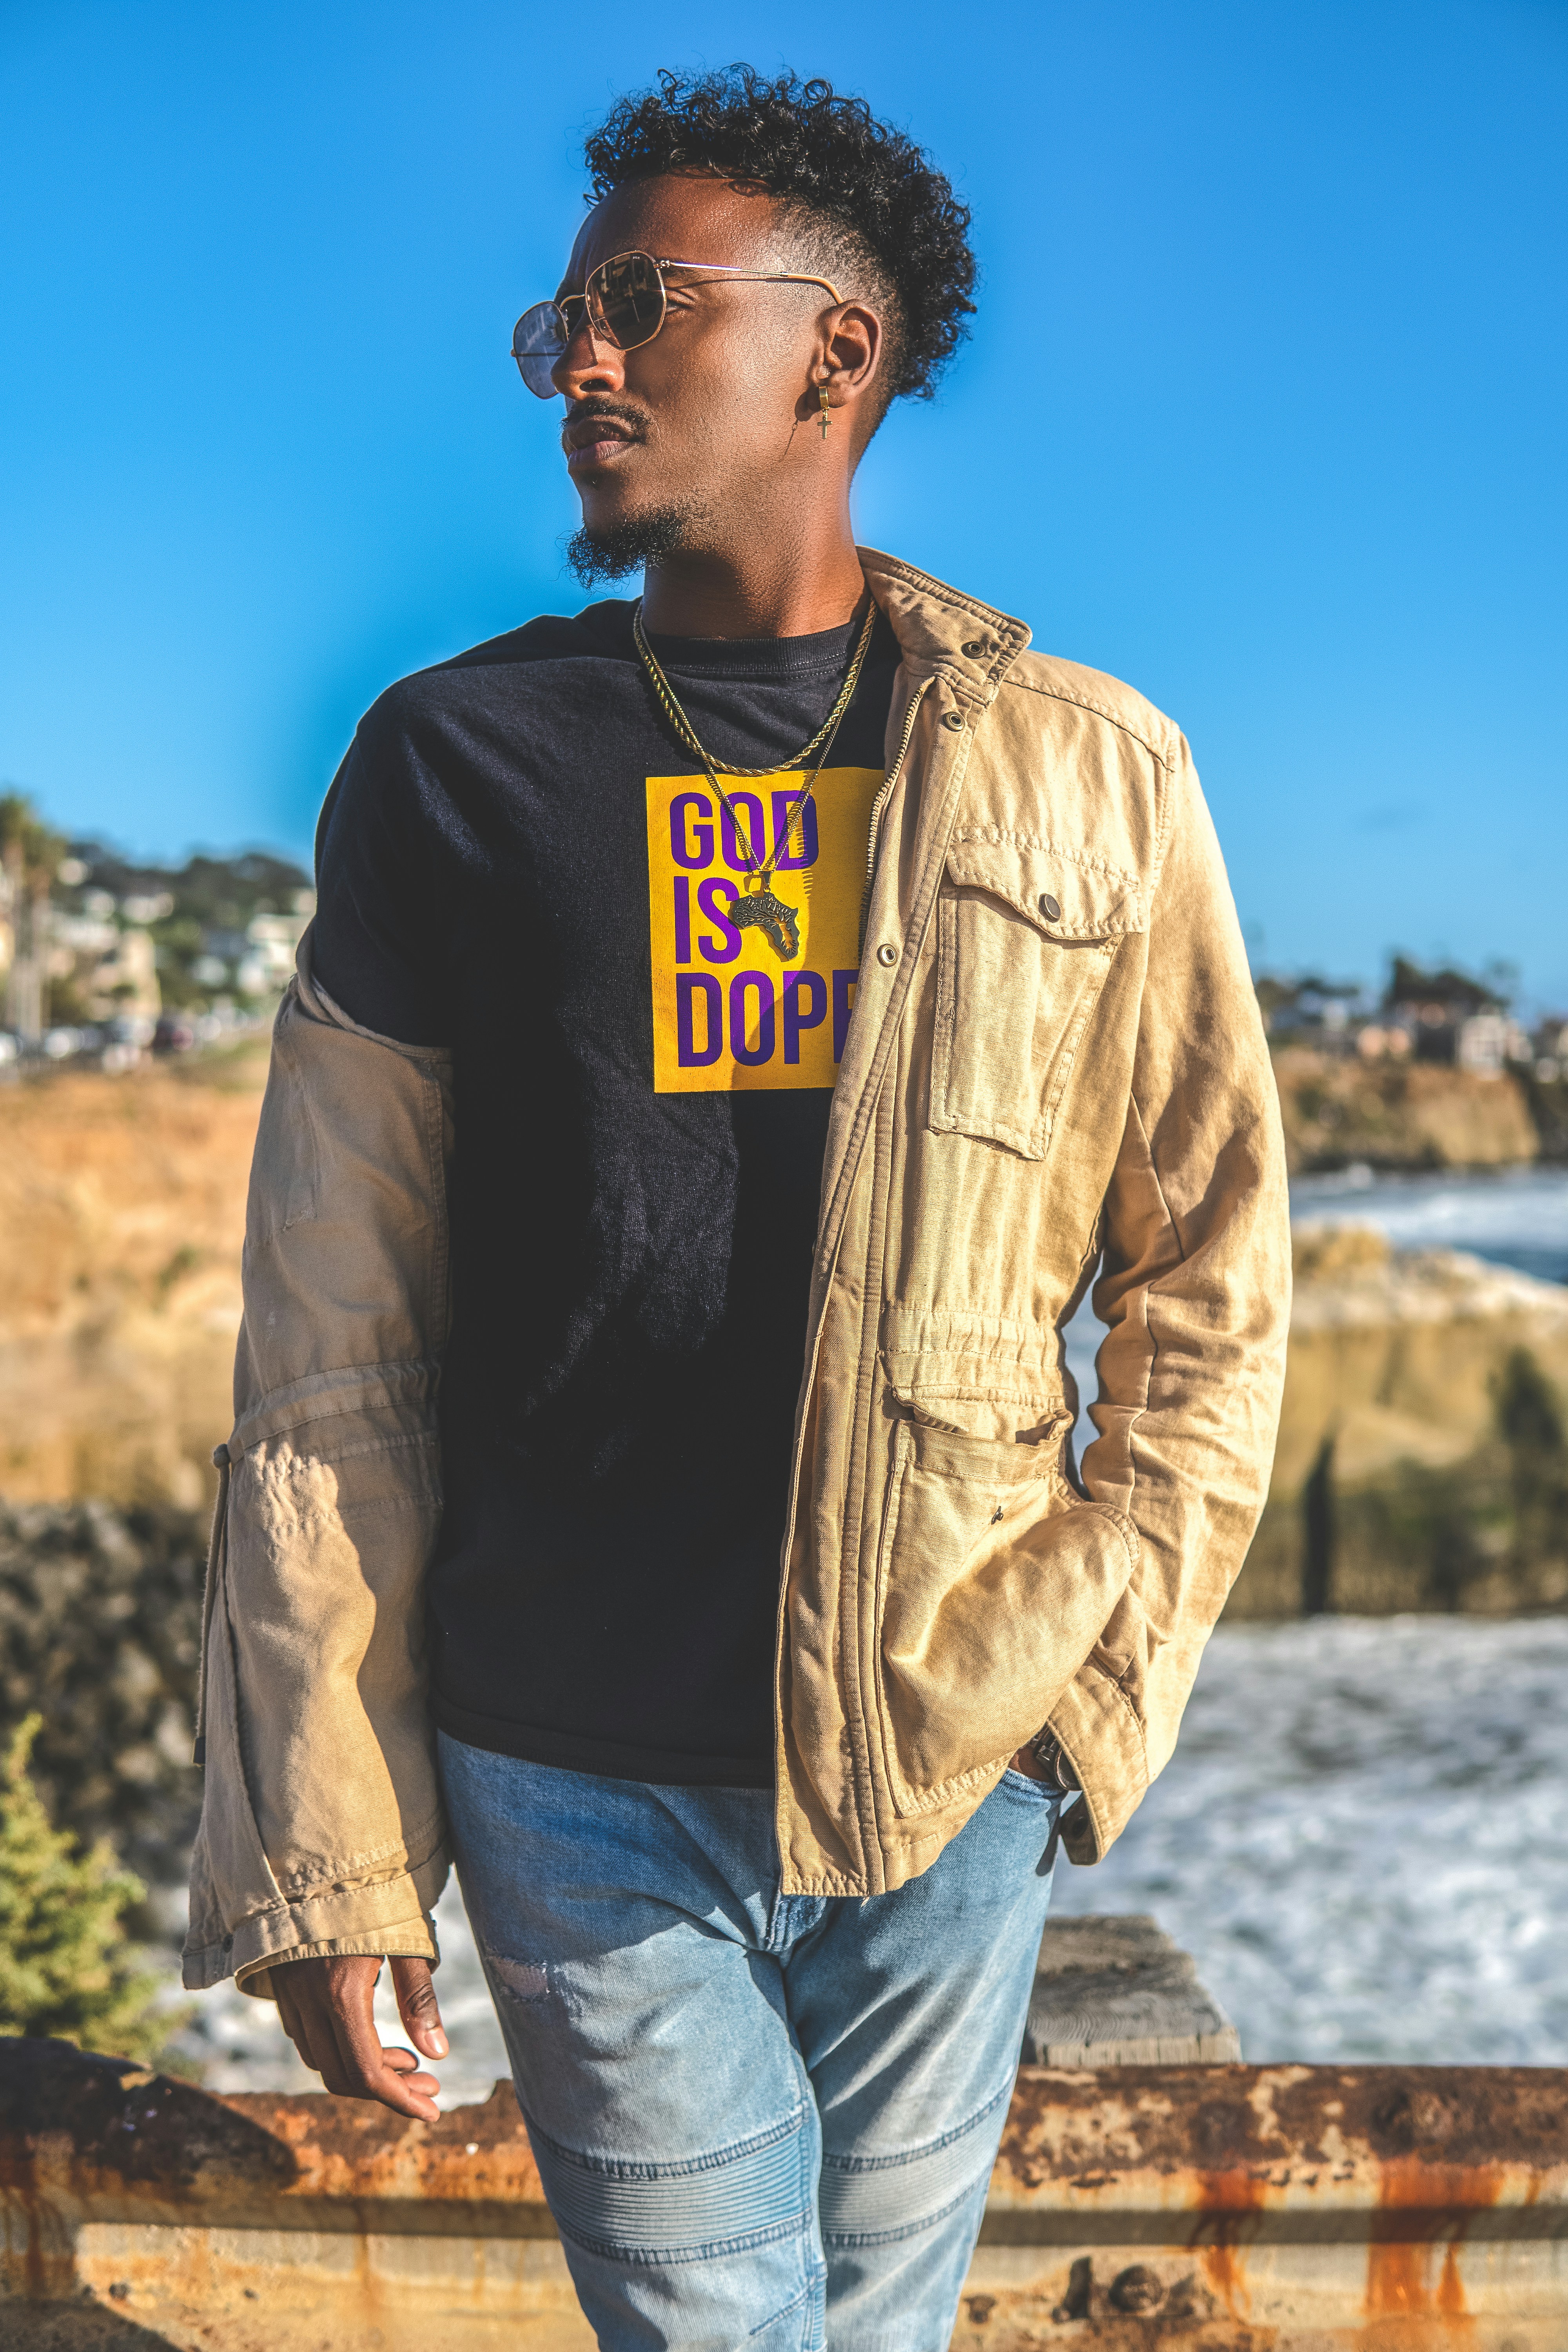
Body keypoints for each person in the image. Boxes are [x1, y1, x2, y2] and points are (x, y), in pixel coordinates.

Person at [184, 64, 1290, 2349]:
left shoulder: (1092, 767)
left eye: (635, 304)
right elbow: (332, 1328)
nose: (578, 360)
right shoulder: (451, 763)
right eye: (561, 322)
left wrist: (1095, 1693)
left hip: (949, 1746)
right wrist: (328, 1836)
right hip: (566, 1761)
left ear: (834, 354)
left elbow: (1211, 1270)